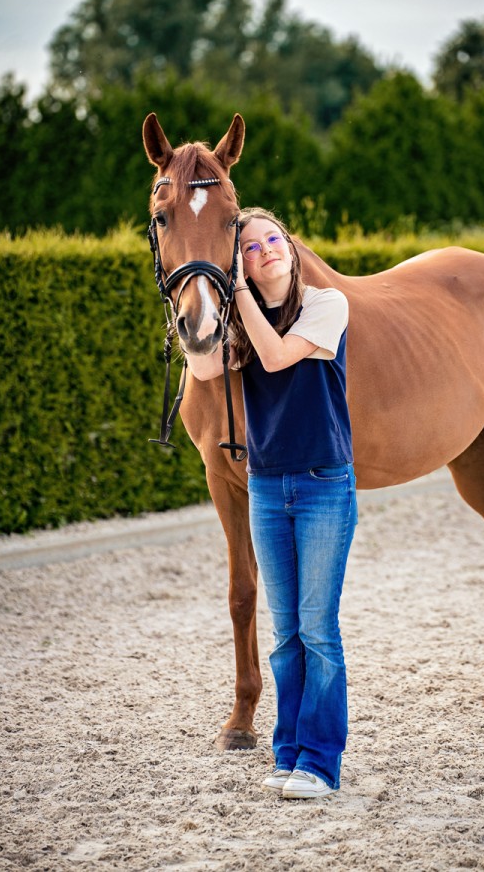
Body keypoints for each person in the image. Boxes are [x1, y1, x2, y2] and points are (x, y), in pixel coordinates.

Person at [187, 208, 357, 799]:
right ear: (242, 261)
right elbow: (206, 366)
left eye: (272, 240)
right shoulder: (243, 324)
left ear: (290, 244)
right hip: (266, 487)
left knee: (318, 632)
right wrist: (196, 294)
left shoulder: (327, 305)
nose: (266, 251)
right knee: (285, 633)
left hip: (322, 485)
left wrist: (236, 291)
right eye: (251, 248)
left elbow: (281, 356)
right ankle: (288, 753)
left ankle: (320, 762)